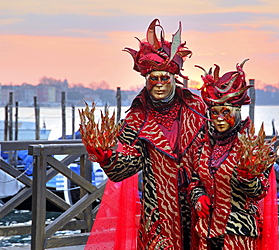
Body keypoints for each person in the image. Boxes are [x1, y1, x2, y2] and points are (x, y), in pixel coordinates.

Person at [85, 18, 207, 249]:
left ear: (175, 79)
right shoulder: (136, 118)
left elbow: (216, 147)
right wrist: (105, 158)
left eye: (164, 78)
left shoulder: (198, 109)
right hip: (160, 212)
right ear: (145, 80)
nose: (159, 84)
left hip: (199, 205)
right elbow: (125, 169)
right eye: (153, 79)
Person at [188, 60, 279, 249]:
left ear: (238, 111)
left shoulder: (254, 148)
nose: (219, 119)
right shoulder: (202, 146)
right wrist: (198, 197)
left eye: (226, 112)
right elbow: (194, 180)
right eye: (214, 113)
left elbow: (259, 192)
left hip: (238, 235)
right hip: (206, 232)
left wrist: (248, 178)